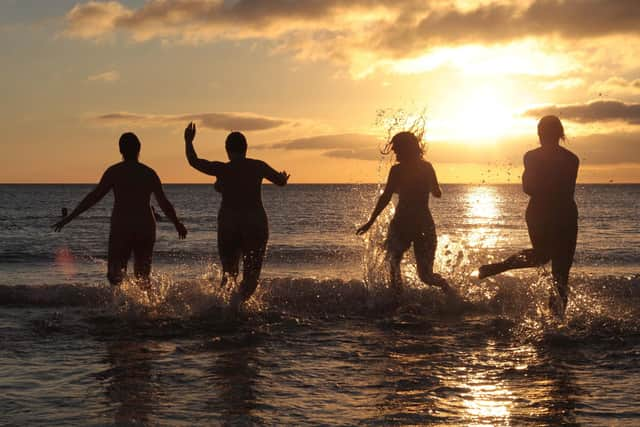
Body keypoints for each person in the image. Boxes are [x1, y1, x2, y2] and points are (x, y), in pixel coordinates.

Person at [53, 132, 187, 286]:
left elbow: (94, 197)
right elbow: (164, 203)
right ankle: (144, 307)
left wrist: (70, 218)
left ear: (120, 150)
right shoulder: (149, 173)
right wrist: (177, 223)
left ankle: (121, 306)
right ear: (139, 149)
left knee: (114, 275)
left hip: (122, 227)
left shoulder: (114, 172)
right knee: (142, 276)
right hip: (145, 226)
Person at [477, 115, 579, 317]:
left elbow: (528, 188)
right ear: (560, 134)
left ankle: (502, 266)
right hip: (562, 213)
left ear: (541, 134)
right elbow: (562, 189)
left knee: (543, 257)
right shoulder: (570, 158)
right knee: (559, 270)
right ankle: (557, 321)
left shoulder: (532, 157)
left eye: (543, 133)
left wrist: (544, 188)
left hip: (542, 211)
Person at [183, 122, 289, 308]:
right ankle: (237, 307)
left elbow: (194, 161)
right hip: (255, 224)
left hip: (229, 225)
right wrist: (283, 177)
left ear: (227, 150)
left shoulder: (223, 169)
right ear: (246, 149)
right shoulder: (258, 166)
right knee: (251, 278)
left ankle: (224, 310)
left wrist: (188, 141)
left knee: (229, 274)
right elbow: (280, 182)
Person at [356, 131, 452, 300]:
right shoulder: (419, 168)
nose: (395, 152)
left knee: (422, 275)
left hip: (415, 225)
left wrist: (371, 222)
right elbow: (437, 193)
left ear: (408, 149)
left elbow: (387, 196)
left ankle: (448, 291)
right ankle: (399, 300)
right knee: (397, 265)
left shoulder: (410, 169)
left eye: (398, 149)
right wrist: (370, 221)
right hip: (409, 224)